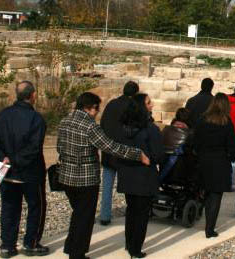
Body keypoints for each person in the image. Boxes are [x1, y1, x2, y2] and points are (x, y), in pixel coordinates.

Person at [57, 92, 150, 259]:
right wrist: (138, 154)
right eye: (96, 109)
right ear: (91, 108)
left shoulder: (64, 122)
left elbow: (59, 147)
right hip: (86, 179)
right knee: (84, 217)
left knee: (77, 213)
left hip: (66, 176)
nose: (97, 112)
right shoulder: (90, 126)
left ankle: (71, 246)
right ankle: (77, 254)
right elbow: (111, 147)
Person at [0, 81, 49, 258]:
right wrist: (12, 161)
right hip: (29, 173)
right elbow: (34, 148)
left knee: (9, 209)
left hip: (6, 172)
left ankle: (7, 246)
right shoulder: (36, 119)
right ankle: (31, 243)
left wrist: (3, 159)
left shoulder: (2, 115)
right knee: (36, 207)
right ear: (33, 96)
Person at [115, 93, 164, 259]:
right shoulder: (150, 129)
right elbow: (158, 155)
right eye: (149, 103)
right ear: (142, 107)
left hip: (127, 174)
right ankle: (136, 249)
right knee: (141, 214)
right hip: (144, 176)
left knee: (131, 210)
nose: (152, 105)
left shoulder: (123, 128)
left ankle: (129, 243)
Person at [194, 93, 235, 238]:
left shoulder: (202, 120)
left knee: (205, 191)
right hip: (219, 162)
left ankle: (201, 215)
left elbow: (195, 140)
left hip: (203, 160)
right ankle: (209, 228)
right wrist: (231, 157)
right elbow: (232, 145)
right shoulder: (226, 122)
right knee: (215, 196)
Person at [99, 81, 139, 226]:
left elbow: (102, 124)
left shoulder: (111, 104)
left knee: (107, 186)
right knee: (129, 185)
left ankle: (104, 216)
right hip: (125, 153)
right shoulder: (134, 107)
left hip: (109, 151)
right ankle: (132, 214)